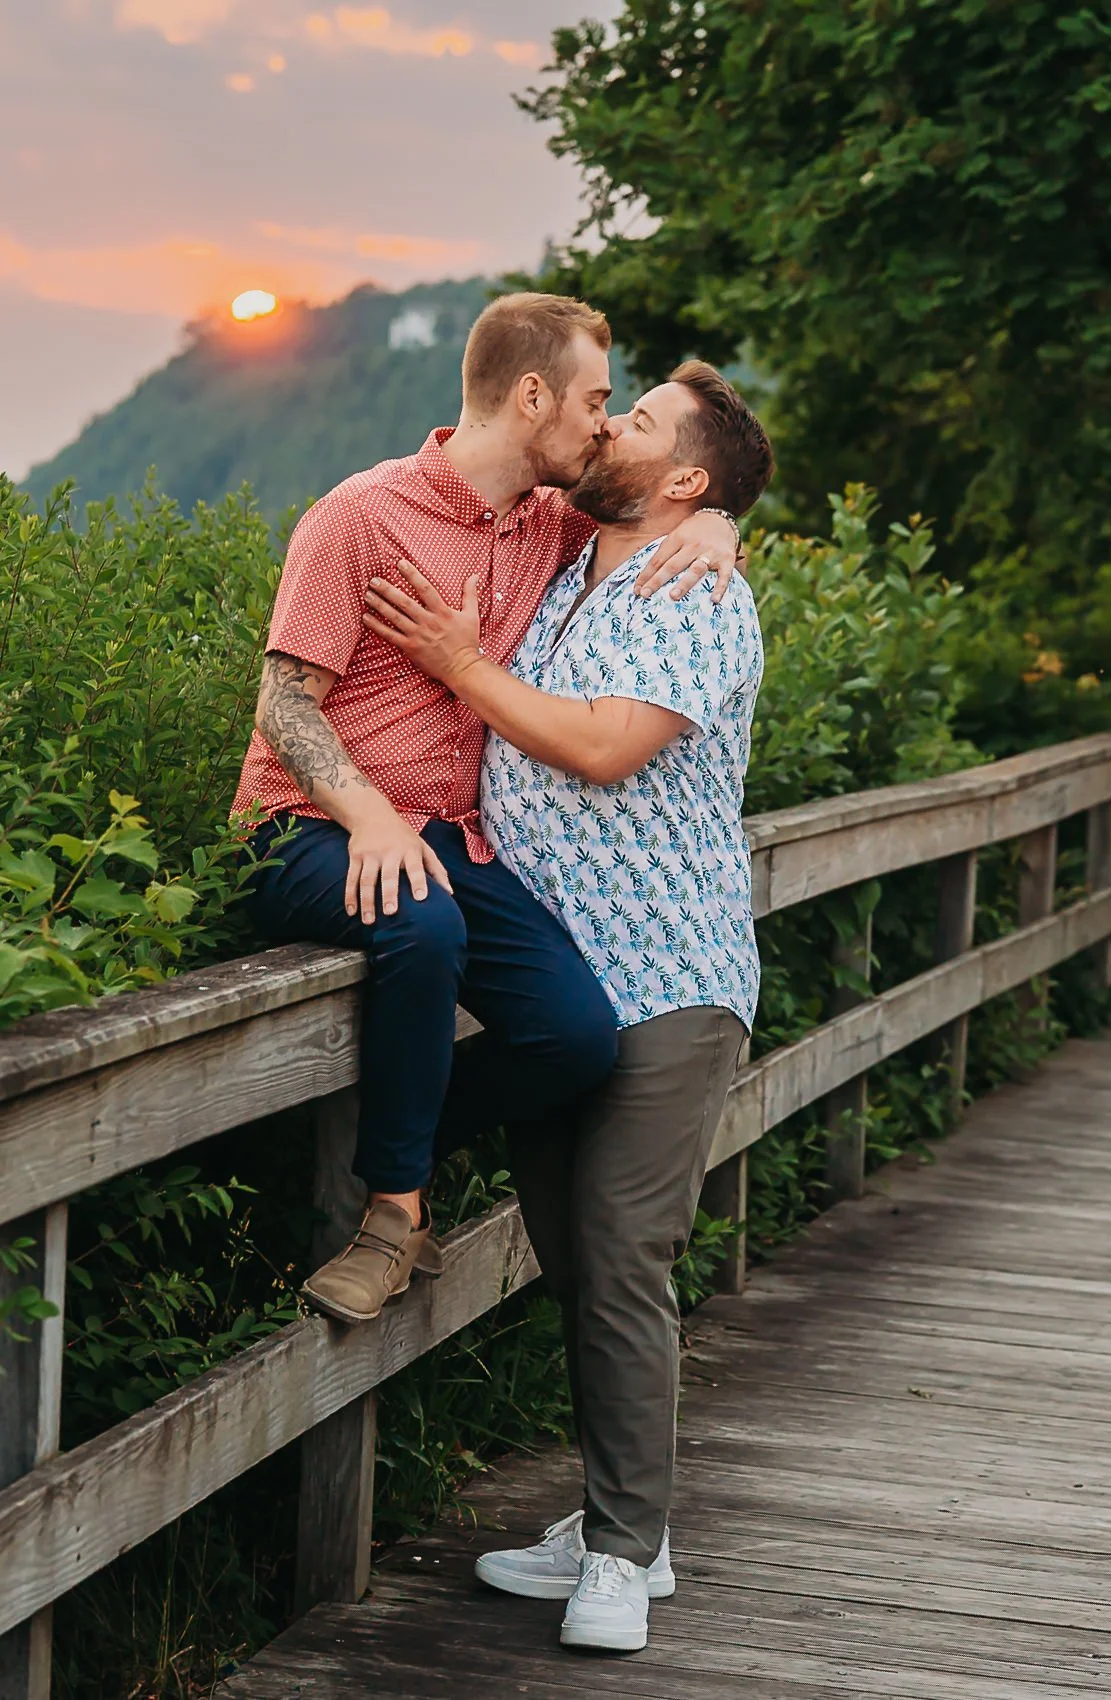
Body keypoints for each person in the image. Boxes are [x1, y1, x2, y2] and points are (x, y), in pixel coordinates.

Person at [363, 359, 772, 1652]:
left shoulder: (697, 588)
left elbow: (602, 747)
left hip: (669, 975)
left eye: (638, 420)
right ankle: (615, 1518)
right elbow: (492, 470)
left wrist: (453, 663)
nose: (608, 425)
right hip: (556, 987)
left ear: (687, 481)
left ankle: (622, 1552)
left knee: (617, 1254)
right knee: (573, 1259)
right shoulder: (568, 557)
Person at [231, 294, 744, 1322]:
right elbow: (283, 702)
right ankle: (389, 1218)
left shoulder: (548, 522)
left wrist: (722, 523)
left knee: (575, 1035)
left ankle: (389, 1137)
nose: (605, 424)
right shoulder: (361, 514)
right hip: (311, 827)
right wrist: (368, 815)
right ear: (531, 393)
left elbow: (662, 503)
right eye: (597, 401)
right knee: (422, 928)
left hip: (448, 842)